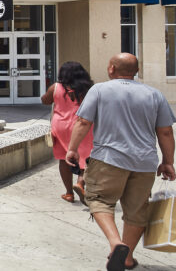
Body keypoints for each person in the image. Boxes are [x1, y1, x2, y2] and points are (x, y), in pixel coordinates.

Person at [66, 53, 175, 271]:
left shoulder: (99, 90)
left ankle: (116, 244)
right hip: (144, 163)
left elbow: (83, 121)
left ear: (112, 68)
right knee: (137, 211)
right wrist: (168, 162)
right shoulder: (154, 94)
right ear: (136, 70)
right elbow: (165, 132)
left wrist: (72, 149)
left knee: (98, 199)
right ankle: (127, 258)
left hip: (108, 159)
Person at [41, 61, 94, 203]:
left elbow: (45, 100)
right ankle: (80, 183)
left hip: (60, 127)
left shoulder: (56, 87)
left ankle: (69, 193)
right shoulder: (89, 89)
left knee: (63, 158)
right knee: (85, 157)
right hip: (82, 125)